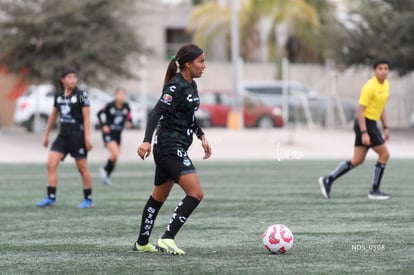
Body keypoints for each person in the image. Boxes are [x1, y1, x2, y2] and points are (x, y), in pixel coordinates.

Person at [132, 44, 212, 255]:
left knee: (158, 197)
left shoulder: (191, 85)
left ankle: (142, 243)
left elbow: (188, 116)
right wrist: (146, 141)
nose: (204, 66)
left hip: (174, 147)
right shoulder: (175, 86)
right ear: (188, 64)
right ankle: (167, 238)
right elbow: (155, 112)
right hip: (169, 147)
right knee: (195, 193)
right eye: (201, 61)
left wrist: (201, 135)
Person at [318, 58, 391, 200]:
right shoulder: (369, 87)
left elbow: (381, 108)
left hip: (372, 124)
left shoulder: (386, 86)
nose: (383, 71)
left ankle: (328, 180)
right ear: (374, 71)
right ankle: (374, 191)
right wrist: (364, 132)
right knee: (384, 154)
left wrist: (386, 127)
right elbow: (360, 110)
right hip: (365, 123)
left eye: (386, 69)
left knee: (357, 160)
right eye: (380, 69)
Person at [36, 67, 94, 208]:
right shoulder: (59, 95)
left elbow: (87, 118)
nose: (73, 80)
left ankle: (88, 199)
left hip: (77, 136)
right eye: (69, 77)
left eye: (74, 77)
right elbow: (53, 115)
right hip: (63, 136)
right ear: (62, 80)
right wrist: (46, 135)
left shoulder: (81, 95)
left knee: (82, 168)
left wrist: (87, 137)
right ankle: (51, 197)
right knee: (51, 164)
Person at [97, 88, 132, 185]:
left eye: (123, 94)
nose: (121, 97)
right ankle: (104, 169)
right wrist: (104, 125)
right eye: (119, 94)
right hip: (108, 133)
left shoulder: (126, 106)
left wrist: (129, 122)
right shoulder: (110, 105)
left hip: (118, 135)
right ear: (115, 95)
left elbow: (129, 116)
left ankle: (106, 176)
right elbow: (100, 113)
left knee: (115, 158)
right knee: (115, 153)